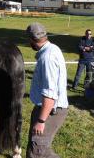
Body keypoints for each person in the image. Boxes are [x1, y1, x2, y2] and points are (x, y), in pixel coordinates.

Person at [25, 22, 68, 158]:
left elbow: (50, 93)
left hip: (50, 111)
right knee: (34, 148)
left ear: (31, 39)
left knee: (39, 152)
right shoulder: (53, 48)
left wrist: (41, 121)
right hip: (47, 109)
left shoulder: (47, 58)